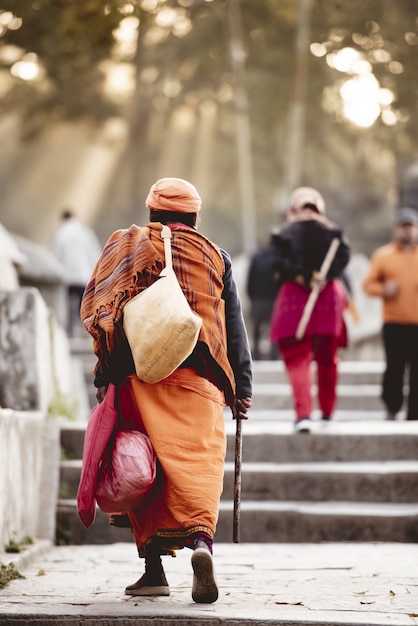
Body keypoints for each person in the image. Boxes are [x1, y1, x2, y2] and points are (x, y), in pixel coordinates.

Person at [80, 177, 252, 603]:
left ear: (151, 213)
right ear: (195, 217)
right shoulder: (216, 255)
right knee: (198, 463)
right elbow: (234, 326)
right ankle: (201, 544)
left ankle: (153, 570)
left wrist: (104, 375)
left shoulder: (126, 245)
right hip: (202, 375)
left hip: (141, 376)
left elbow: (105, 310)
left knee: (144, 466)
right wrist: (242, 387)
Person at [269, 187, 351, 433]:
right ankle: (327, 413)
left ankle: (303, 415)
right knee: (328, 359)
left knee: (297, 359)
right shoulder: (334, 232)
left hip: (295, 297)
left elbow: (276, 263)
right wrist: (325, 276)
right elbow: (343, 257)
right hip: (327, 296)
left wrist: (302, 276)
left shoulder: (282, 233)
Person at [363, 207, 418, 421]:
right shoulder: (383, 255)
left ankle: (414, 414)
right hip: (394, 322)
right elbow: (368, 285)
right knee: (394, 368)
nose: (406, 231)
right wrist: (384, 290)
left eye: (410, 226)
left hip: (417, 323)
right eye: (402, 227)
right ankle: (392, 408)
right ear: (396, 230)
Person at [50, 209, 102, 336]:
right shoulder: (86, 233)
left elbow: (54, 257)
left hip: (67, 277)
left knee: (68, 307)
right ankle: (86, 332)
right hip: (84, 276)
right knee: (84, 306)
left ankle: (70, 333)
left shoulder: (60, 233)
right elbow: (95, 255)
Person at [246, 243, 280, 360]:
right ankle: (274, 354)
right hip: (273, 299)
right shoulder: (277, 259)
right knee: (274, 328)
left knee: (256, 329)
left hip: (258, 299)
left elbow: (250, 278)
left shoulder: (256, 257)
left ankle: (256, 354)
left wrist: (251, 296)